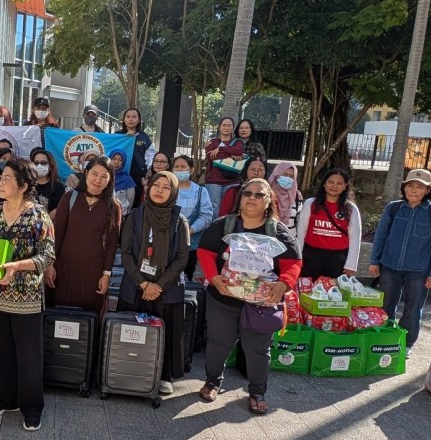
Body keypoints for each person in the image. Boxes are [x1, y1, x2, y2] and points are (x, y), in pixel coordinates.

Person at [196, 177, 302, 414]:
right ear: (240, 198)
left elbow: (294, 262)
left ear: (268, 201)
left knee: (257, 350)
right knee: (218, 342)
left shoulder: (278, 231)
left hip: (261, 304)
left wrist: (284, 284)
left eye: (259, 194)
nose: (252, 198)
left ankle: (257, 391)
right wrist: (213, 277)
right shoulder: (224, 225)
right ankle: (212, 381)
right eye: (247, 193)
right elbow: (204, 252)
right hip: (224, 298)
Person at [0, 158, 56, 432]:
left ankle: (32, 406)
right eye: (1, 177)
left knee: (28, 355)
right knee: (0, 351)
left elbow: (47, 255)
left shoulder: (38, 215)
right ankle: (6, 398)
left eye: (8, 178)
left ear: (24, 185)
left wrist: (16, 266)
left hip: (27, 297)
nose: (2, 181)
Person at [118, 171, 190, 395]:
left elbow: (182, 258)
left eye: (166, 187)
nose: (159, 190)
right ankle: (124, 370)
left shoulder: (179, 221)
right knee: (131, 331)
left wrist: (158, 285)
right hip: (136, 286)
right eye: (155, 185)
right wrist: (143, 284)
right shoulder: (135, 216)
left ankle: (163, 375)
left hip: (166, 289)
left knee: (165, 331)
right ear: (148, 188)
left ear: (174, 192)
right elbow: (126, 252)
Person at [369, 169, 431, 358]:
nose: (414, 190)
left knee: (413, 308)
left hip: (419, 270)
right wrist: (375, 261)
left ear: (428, 190)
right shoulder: (394, 208)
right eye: (410, 186)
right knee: (386, 304)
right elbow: (381, 235)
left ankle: (406, 343)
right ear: (404, 188)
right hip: (390, 265)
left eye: (420, 187)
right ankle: (384, 339)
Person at [46, 157, 121, 316]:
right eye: (94, 174)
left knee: (88, 320)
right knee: (59, 316)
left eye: (104, 176)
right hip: (63, 269)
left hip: (93, 273)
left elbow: (112, 243)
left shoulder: (113, 206)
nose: (98, 180)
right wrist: (50, 265)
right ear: (86, 173)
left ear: (110, 180)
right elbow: (56, 234)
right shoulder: (69, 198)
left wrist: (106, 275)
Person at [296, 168, 363, 280]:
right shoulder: (310, 203)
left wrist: (351, 264)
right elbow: (301, 231)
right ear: (324, 184)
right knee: (306, 290)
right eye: (331, 182)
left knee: (334, 293)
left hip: (338, 259)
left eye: (339, 183)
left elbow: (355, 237)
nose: (334, 186)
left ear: (345, 186)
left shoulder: (351, 208)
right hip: (311, 255)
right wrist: (298, 257)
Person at [173, 155, 214, 279]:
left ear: (191, 170)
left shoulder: (201, 191)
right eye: (176, 167)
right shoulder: (167, 189)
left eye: (183, 167)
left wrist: (190, 230)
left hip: (191, 242)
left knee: (187, 274)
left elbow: (206, 216)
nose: (179, 170)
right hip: (168, 240)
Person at [203, 117, 245, 218]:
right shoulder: (212, 142)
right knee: (213, 208)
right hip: (214, 180)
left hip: (232, 180)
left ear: (233, 128)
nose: (226, 127)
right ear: (219, 127)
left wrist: (221, 148)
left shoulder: (238, 142)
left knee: (229, 208)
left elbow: (239, 151)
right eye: (224, 125)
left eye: (229, 125)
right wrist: (230, 155)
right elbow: (210, 156)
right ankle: (213, 231)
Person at [116, 107, 157, 205]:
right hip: (120, 175)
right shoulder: (117, 135)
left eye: (134, 117)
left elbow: (150, 155)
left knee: (136, 202)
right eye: (128, 117)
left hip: (139, 177)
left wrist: (149, 169)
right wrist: (126, 137)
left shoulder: (144, 137)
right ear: (124, 119)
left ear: (138, 120)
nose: (131, 119)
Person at [267, 161, 303, 229]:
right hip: (269, 237)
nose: (288, 178)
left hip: (290, 237)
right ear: (276, 175)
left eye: (291, 176)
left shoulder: (297, 196)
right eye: (285, 174)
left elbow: (299, 222)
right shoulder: (267, 194)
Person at [30, 148, 66, 214]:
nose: (39, 165)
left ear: (50, 166)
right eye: (36, 163)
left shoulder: (58, 187)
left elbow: (58, 209)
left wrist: (44, 222)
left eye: (43, 163)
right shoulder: (26, 184)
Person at [109, 149, 138, 215]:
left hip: (121, 215)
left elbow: (130, 201)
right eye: (114, 159)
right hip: (104, 215)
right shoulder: (104, 177)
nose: (116, 162)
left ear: (123, 162)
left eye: (120, 160)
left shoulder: (127, 180)